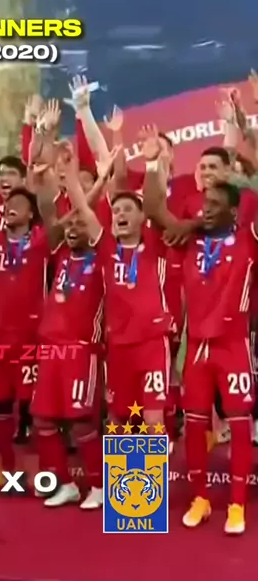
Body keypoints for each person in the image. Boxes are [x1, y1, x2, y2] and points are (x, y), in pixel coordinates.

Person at [143, 129, 256, 535]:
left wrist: (243, 153)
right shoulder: (189, 240)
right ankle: (201, 499)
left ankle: (237, 505)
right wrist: (153, 162)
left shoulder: (248, 240)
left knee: (239, 425)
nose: (205, 210)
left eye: (214, 206)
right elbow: (154, 209)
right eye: (203, 204)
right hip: (197, 351)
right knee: (194, 425)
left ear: (234, 212)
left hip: (233, 347)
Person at [31, 136, 111, 511]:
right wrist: (53, 171)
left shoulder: (104, 256)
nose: (74, 227)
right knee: (43, 420)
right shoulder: (61, 252)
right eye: (71, 223)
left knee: (81, 422)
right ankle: (65, 484)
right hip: (50, 349)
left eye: (82, 222)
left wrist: (77, 178)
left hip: (81, 350)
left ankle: (98, 485)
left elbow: (87, 209)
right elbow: (48, 208)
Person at [0, 186, 45, 478]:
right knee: (0, 405)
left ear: (31, 214)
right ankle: (8, 472)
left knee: (38, 409)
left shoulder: (41, 242)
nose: (10, 206)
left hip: (31, 336)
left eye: (19, 203)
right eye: (8, 203)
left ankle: (47, 472)